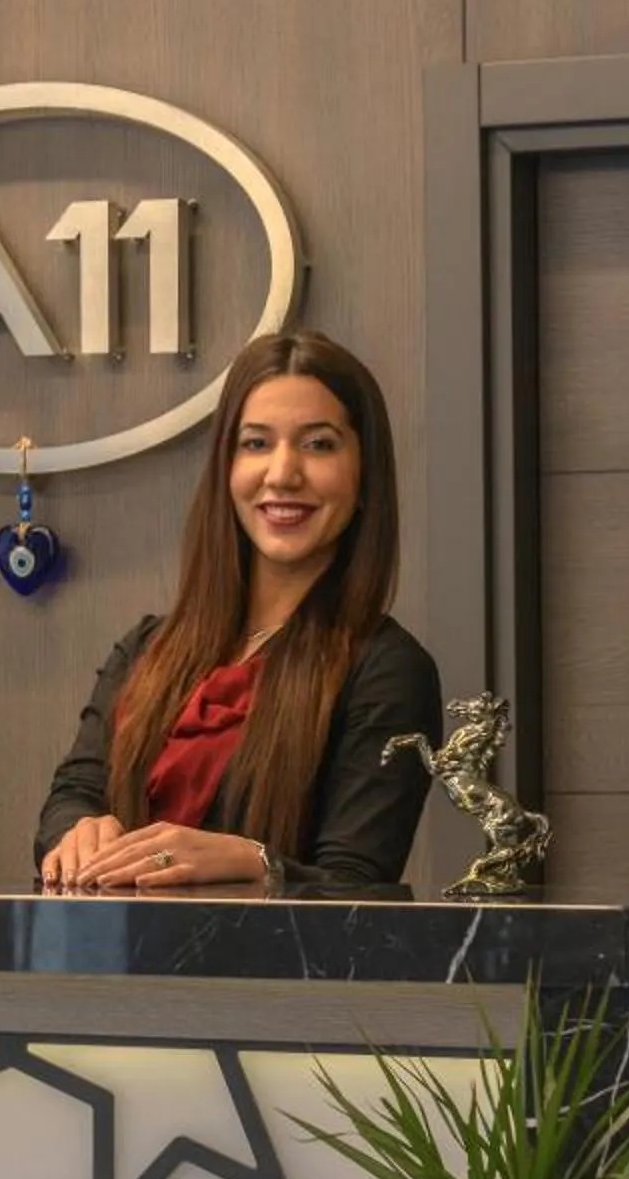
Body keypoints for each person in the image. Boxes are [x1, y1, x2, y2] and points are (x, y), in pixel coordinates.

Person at [35, 329, 439, 890]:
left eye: (319, 444)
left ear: (364, 473)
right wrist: (79, 830)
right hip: (113, 970)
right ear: (226, 468)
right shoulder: (147, 647)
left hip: (269, 977)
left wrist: (256, 863)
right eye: (256, 443)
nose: (282, 473)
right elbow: (76, 791)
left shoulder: (388, 670)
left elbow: (358, 887)